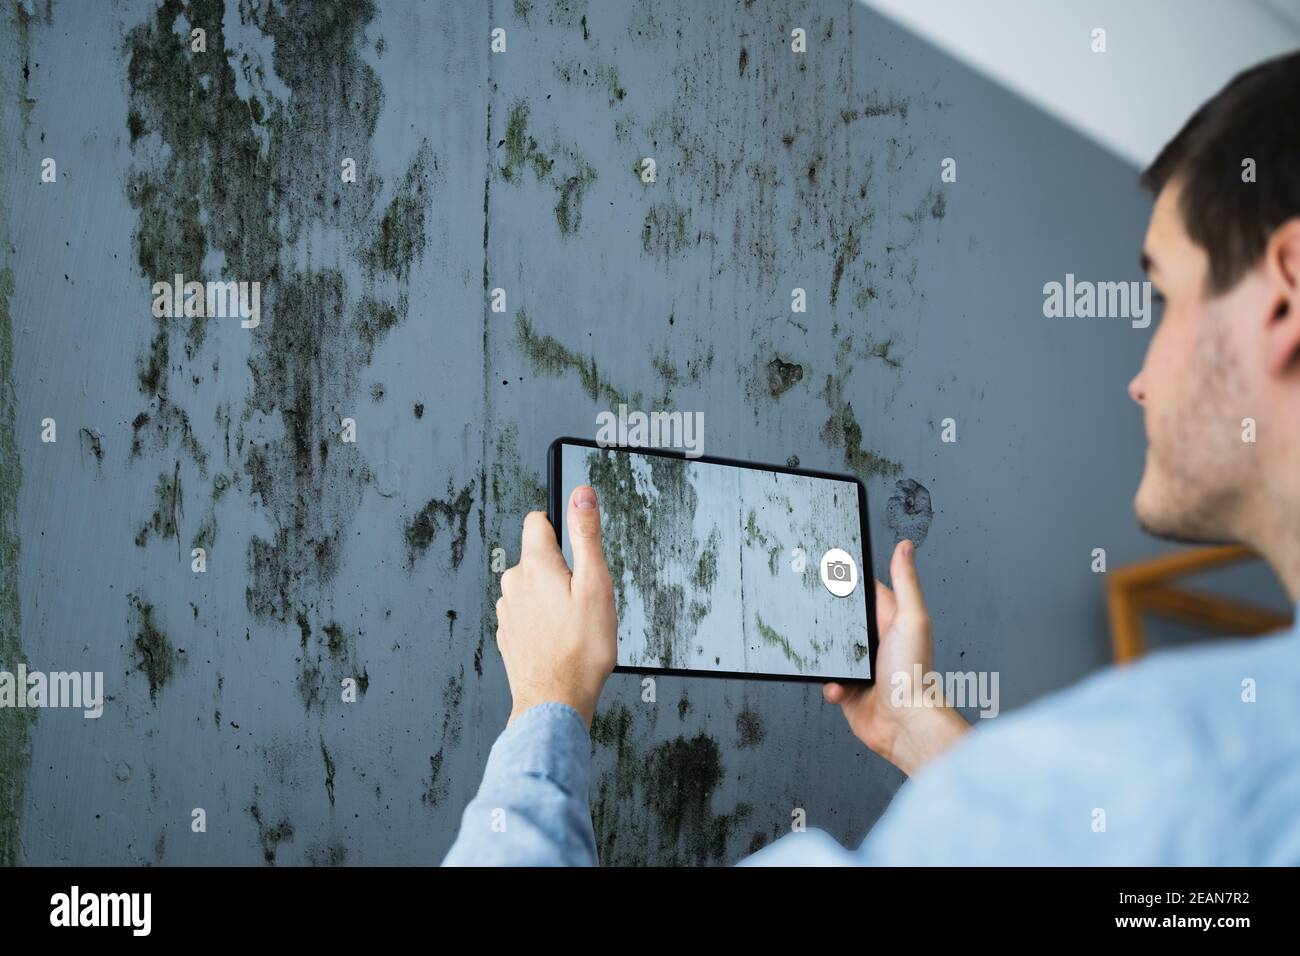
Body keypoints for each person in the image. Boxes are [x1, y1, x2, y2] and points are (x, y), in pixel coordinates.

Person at [443, 51, 1300, 866]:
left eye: (1164, 295)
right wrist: (914, 725)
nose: (1140, 381)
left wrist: (547, 705)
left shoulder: (1194, 765)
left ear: (1284, 287)